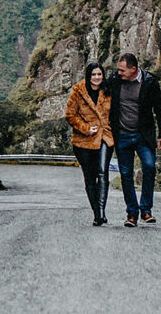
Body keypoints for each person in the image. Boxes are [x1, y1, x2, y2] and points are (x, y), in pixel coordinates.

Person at [109, 52, 161, 226]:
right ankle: (132, 214)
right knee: (126, 174)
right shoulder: (115, 80)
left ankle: (146, 210)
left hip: (144, 135)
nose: (119, 73)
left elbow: (160, 109)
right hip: (122, 135)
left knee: (149, 167)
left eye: (122, 70)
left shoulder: (149, 82)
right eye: (118, 70)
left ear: (133, 69)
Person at [64, 60, 114, 225]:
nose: (97, 77)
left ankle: (101, 212)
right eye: (93, 74)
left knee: (102, 172)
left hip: (104, 136)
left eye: (99, 74)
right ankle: (96, 213)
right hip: (83, 141)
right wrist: (85, 128)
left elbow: (115, 112)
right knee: (90, 177)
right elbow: (70, 115)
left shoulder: (108, 90)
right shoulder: (78, 92)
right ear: (88, 76)